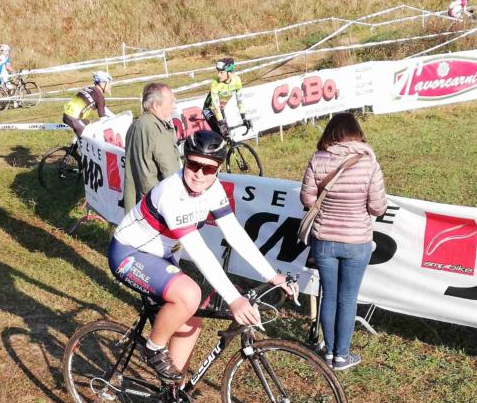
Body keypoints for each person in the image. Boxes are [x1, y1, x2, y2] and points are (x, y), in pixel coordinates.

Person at [109, 130, 297, 382]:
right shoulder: (172, 193)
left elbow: (235, 233)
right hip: (129, 253)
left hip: (161, 257)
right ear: (184, 161)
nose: (199, 174)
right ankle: (153, 349)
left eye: (208, 168)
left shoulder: (213, 188)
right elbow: (199, 251)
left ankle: (172, 392)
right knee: (190, 295)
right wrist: (234, 299)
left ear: (218, 169)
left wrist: (272, 275)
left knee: (191, 324)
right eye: (193, 164)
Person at [300, 113, 386, 372]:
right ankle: (342, 356)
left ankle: (329, 352)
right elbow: (377, 207)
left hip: (324, 239)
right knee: (348, 298)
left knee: (329, 295)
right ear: (356, 132)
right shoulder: (368, 161)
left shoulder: (318, 158)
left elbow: (307, 200)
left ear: (330, 132)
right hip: (357, 241)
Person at [122, 82, 179, 212]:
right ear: (156, 105)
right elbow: (170, 172)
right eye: (171, 102)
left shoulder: (135, 125)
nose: (174, 107)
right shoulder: (156, 129)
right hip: (157, 205)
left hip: (137, 205)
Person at [202, 58, 250, 140]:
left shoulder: (237, 80)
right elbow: (216, 108)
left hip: (221, 109)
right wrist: (222, 124)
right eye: (218, 72)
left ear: (229, 73)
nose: (218, 75)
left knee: (228, 137)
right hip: (209, 109)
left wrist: (244, 117)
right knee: (220, 136)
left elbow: (240, 101)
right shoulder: (215, 83)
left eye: (221, 72)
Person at [62, 71, 112, 139]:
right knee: (92, 139)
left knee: (89, 124)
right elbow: (103, 120)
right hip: (74, 119)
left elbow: (104, 109)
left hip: (67, 115)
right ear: (102, 83)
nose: (110, 86)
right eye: (109, 83)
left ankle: (75, 143)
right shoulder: (99, 97)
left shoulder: (89, 89)